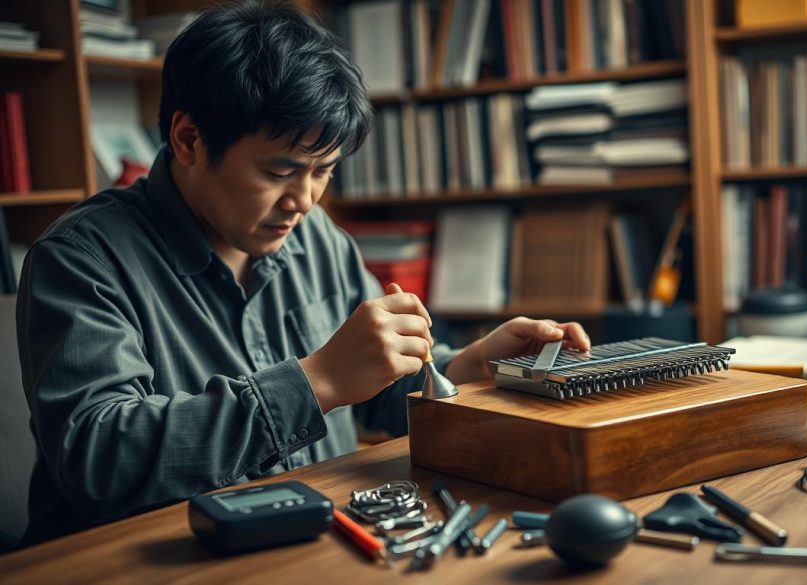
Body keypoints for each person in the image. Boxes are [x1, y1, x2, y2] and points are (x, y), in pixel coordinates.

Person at [16, 1, 589, 545]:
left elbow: (377, 397)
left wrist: (468, 367)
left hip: (313, 542)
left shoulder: (314, 237)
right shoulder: (80, 259)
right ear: (189, 139)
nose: (305, 200)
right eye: (280, 171)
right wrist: (316, 381)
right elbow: (99, 458)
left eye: (325, 172)